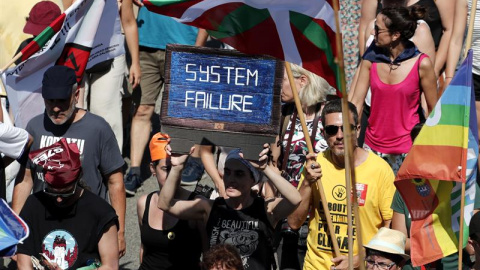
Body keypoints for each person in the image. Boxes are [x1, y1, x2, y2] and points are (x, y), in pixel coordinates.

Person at [12, 65, 127, 257]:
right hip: (45, 221)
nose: (56, 108)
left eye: (62, 101)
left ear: (76, 95)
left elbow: (115, 182)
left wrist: (120, 230)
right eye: (50, 101)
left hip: (87, 223)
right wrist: (17, 229)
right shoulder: (34, 127)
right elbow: (25, 180)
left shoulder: (97, 128)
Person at [288, 99, 396, 270]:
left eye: (346, 128)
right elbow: (294, 223)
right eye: (332, 130)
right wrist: (307, 183)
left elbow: (391, 228)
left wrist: (360, 259)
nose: (339, 135)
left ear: (357, 130)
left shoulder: (380, 170)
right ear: (324, 134)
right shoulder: (315, 165)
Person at [158, 144, 302, 270]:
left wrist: (265, 169)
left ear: (253, 179)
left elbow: (295, 199)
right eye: (227, 172)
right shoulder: (210, 208)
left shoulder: (265, 209)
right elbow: (165, 204)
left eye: (239, 174)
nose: (231, 179)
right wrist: (177, 168)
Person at [124, 6, 207, 195]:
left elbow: (208, 9)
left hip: (185, 45)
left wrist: (198, 48)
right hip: (146, 44)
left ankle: (193, 159)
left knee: (185, 108)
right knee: (143, 109)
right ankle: (135, 170)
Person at [350, 6, 438, 173]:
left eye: (377, 29)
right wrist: (350, 140)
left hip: (408, 150)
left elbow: (434, 111)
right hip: (371, 148)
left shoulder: (422, 63)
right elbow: (356, 103)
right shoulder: (371, 57)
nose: (372, 33)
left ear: (395, 35)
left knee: (400, 200)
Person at [16, 138, 119, 269]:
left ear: (79, 176)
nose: (59, 199)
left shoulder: (100, 211)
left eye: (66, 192)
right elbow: (23, 262)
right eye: (52, 192)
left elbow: (110, 266)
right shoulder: (33, 205)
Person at [269, 63, 331, 270]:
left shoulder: (330, 115)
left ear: (302, 81)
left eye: (284, 80)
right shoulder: (284, 113)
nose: (278, 86)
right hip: (287, 206)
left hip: (321, 210)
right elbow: (273, 162)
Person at [63, 0, 141, 153]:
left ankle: (111, 167)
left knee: (107, 113)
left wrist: (135, 62)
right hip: (78, 52)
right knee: (76, 110)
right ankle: (76, 163)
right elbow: (68, 19)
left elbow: (129, 22)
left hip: (111, 52)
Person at [137, 132, 204, 269]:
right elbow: (144, 249)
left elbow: (208, 252)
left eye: (176, 168)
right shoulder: (144, 203)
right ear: (152, 169)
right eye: (166, 168)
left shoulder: (195, 203)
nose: (172, 174)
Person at [358, 0, 454, 77]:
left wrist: (434, 70)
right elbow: (365, 29)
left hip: (426, 64)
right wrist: (366, 66)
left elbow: (449, 30)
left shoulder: (422, 27)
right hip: (382, 69)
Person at [14, 1, 61, 66]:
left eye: (42, 33)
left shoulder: (67, 46)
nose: (36, 35)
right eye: (34, 32)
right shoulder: (26, 47)